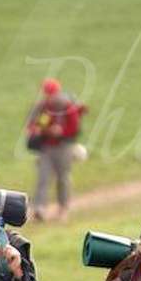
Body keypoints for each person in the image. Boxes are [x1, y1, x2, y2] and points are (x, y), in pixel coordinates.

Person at [25, 79, 86, 221]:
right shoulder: (44, 108)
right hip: (46, 147)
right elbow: (34, 125)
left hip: (64, 147)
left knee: (63, 178)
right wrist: (44, 131)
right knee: (43, 177)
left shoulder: (68, 107)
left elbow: (75, 128)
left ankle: (63, 208)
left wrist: (61, 132)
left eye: (51, 94)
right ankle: (39, 209)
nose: (50, 97)